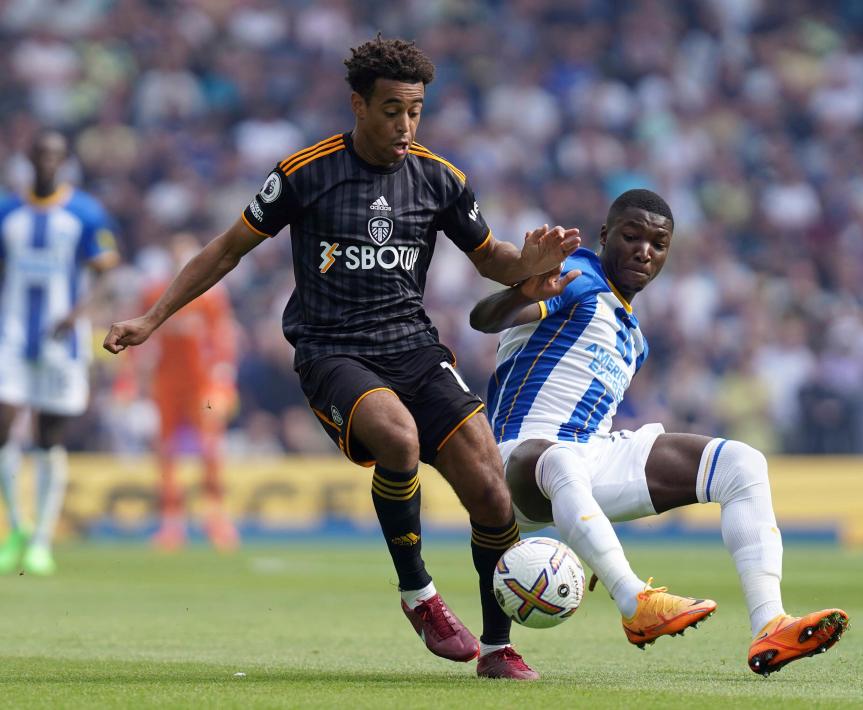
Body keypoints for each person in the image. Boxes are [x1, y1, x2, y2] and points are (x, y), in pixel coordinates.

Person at [103, 36, 580, 680]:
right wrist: (152, 318)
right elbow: (226, 249)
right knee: (398, 439)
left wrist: (531, 266)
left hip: (413, 348)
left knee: (493, 492)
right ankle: (420, 597)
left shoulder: (440, 178)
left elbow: (489, 256)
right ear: (358, 105)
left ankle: (497, 648)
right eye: (391, 111)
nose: (405, 125)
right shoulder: (305, 171)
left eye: (415, 111)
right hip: (332, 351)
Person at [470, 188, 849, 676]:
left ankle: (770, 623)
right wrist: (524, 289)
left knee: (742, 463)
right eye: (631, 236)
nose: (644, 251)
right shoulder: (578, 277)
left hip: (589, 461)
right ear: (606, 236)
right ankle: (635, 604)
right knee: (561, 458)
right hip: (517, 461)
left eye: (658, 243)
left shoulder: (635, 339)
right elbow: (484, 319)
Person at [0, 130, 120, 575]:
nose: (48, 163)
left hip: (62, 341)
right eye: (41, 155)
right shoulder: (7, 210)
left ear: (64, 161)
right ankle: (16, 525)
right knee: (4, 423)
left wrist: (79, 312)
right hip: (11, 335)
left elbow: (107, 271)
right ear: (30, 158)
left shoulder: (85, 213)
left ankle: (42, 540)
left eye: (56, 156)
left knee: (47, 440)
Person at [137, 233, 239, 552]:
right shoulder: (154, 293)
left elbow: (223, 336)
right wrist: (134, 377)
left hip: (202, 384)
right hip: (167, 383)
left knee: (209, 451)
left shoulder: (210, 296)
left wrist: (224, 378)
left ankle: (216, 519)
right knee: (166, 452)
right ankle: (171, 523)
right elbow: (144, 341)